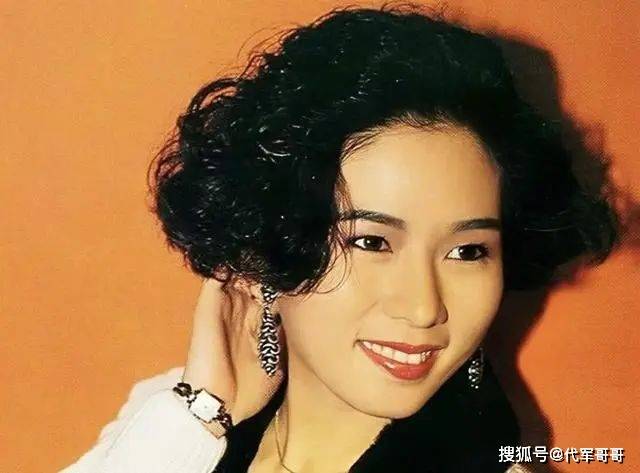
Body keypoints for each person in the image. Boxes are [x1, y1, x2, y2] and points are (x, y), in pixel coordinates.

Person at [60, 5, 619, 473]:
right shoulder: (177, 419)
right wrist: (200, 416)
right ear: (269, 246)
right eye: (372, 242)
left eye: (467, 251)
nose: (424, 307)